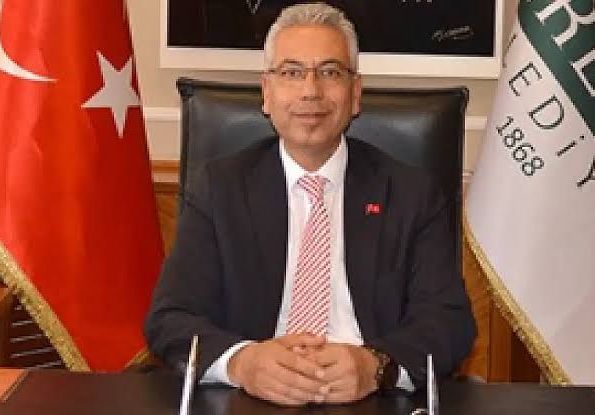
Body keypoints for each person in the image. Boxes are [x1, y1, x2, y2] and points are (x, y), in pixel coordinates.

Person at [145, 2, 475, 406]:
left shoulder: (411, 194)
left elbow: (449, 322)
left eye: (330, 72)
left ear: (355, 94)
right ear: (267, 92)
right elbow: (170, 319)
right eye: (292, 72)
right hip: (252, 400)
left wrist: (376, 365)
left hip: (372, 399)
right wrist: (243, 363)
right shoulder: (220, 189)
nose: (311, 91)